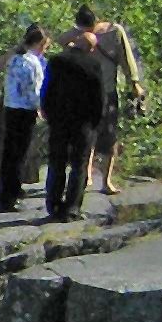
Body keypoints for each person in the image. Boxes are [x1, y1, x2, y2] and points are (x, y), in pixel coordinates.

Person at [39, 22, 108, 223]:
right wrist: (96, 122)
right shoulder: (93, 65)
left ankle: (53, 204)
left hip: (59, 120)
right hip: (83, 123)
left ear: (76, 41)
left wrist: (47, 113)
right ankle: (72, 208)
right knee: (79, 165)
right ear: (92, 49)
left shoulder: (56, 61)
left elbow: (46, 90)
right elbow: (99, 98)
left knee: (57, 162)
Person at [79, 2, 147, 197]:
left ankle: (106, 180)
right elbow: (60, 40)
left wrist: (133, 82)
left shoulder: (113, 31)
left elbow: (126, 57)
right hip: (85, 93)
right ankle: (86, 175)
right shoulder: (80, 34)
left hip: (107, 91)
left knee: (109, 137)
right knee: (86, 135)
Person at [0, 25, 48, 212]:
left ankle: (5, 192)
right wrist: (42, 109)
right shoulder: (33, 63)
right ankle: (11, 195)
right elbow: (35, 91)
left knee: (9, 153)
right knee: (20, 154)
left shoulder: (14, 59)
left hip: (10, 109)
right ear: (40, 43)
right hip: (25, 112)